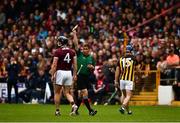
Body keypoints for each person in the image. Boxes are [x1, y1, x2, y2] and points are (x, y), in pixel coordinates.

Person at [49, 36, 78, 116]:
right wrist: (75, 74)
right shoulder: (72, 51)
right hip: (69, 72)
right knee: (67, 92)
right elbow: (75, 65)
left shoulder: (57, 51)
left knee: (57, 92)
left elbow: (54, 65)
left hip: (60, 72)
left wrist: (52, 74)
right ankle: (73, 104)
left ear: (61, 42)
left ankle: (57, 111)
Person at [72, 30, 97, 116]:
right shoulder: (79, 54)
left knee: (80, 96)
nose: (85, 50)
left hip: (86, 77)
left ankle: (75, 111)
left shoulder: (91, 57)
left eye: (87, 49)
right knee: (85, 92)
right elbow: (75, 44)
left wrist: (92, 67)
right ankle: (90, 111)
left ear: (89, 50)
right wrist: (75, 34)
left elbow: (93, 67)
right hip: (80, 76)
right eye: (84, 49)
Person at [115, 45, 137, 115]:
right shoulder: (133, 58)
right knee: (128, 96)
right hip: (129, 80)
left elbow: (117, 71)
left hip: (122, 80)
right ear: (131, 51)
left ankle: (128, 111)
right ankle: (122, 107)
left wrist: (116, 80)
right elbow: (138, 68)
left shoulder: (120, 59)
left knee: (123, 96)